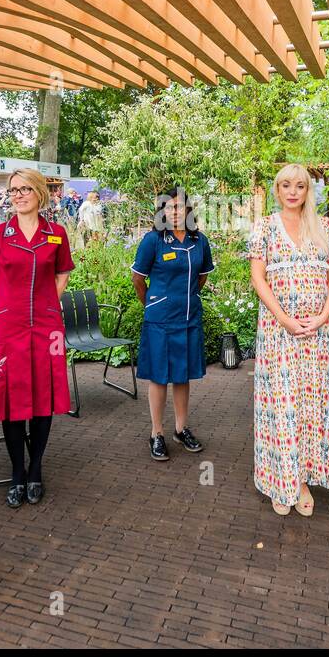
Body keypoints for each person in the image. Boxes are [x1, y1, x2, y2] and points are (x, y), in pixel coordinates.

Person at [248, 164, 329, 517]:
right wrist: (286, 320)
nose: (292, 191)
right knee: (282, 404)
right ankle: (280, 480)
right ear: (277, 190)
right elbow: (258, 279)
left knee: (311, 406)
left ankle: (302, 479)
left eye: (300, 186)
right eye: (286, 185)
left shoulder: (326, 228)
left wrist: (321, 316)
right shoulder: (265, 228)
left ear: (308, 191)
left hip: (320, 335)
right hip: (279, 332)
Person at [0, 168, 75, 508]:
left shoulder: (56, 234)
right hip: (7, 328)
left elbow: (62, 273)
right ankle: (17, 473)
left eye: (25, 189)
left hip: (48, 329)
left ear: (39, 194)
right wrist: (6, 304)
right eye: (13, 190)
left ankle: (36, 469)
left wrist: (47, 302)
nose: (18, 195)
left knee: (44, 396)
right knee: (10, 400)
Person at [131, 186, 214, 461]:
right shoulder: (153, 240)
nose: (174, 211)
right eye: (169, 207)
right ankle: (157, 433)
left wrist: (186, 297)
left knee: (182, 374)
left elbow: (201, 277)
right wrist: (153, 304)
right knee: (159, 376)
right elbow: (138, 279)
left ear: (188, 210)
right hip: (160, 319)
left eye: (179, 207)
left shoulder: (199, 240)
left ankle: (181, 428)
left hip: (189, 317)